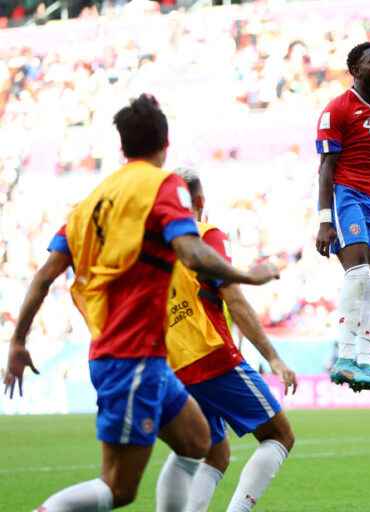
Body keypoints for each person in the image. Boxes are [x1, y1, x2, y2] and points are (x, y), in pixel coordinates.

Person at [3, 94, 278, 511]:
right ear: (164, 144)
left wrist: (18, 341)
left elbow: (44, 277)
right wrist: (245, 275)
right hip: (129, 355)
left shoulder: (89, 204)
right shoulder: (162, 185)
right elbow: (190, 251)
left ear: (121, 146)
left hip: (139, 357)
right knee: (119, 488)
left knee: (198, 441)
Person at [156, 168, 297, 512]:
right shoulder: (207, 234)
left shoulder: (156, 247)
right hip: (211, 357)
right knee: (280, 435)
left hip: (171, 367)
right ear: (200, 202)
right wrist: (273, 357)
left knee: (214, 452)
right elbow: (233, 297)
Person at [315, 41, 370, 394]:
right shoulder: (337, 109)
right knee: (360, 273)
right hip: (345, 195)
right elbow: (326, 168)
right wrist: (324, 220)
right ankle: (344, 358)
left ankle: (366, 362)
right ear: (355, 69)